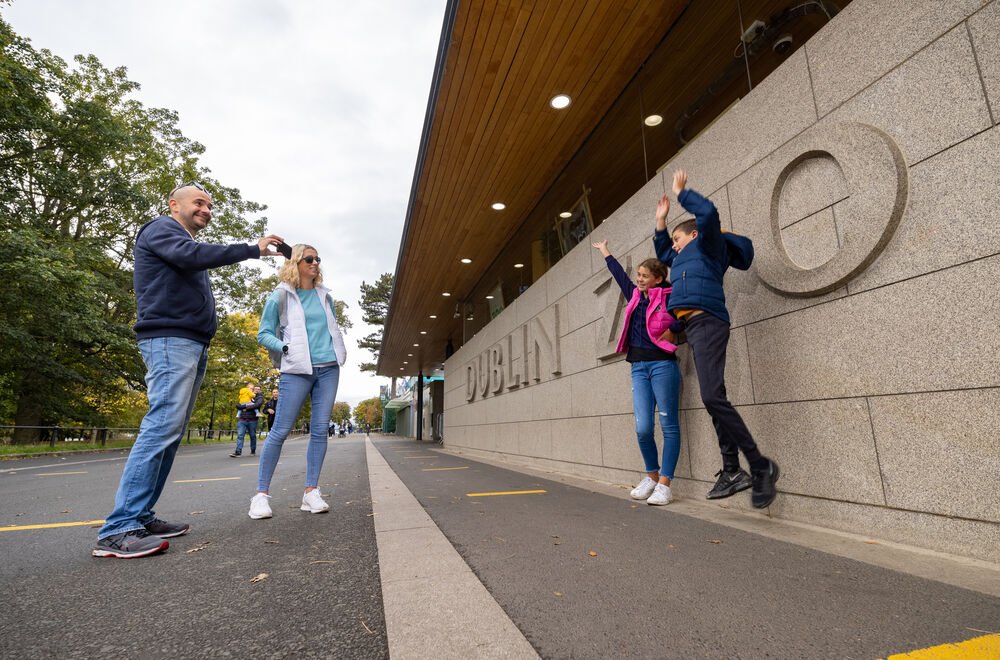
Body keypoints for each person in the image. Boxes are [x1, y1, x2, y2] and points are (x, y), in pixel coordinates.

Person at [93, 182, 284, 558]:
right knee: (162, 425)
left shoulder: (184, 243)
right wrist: (252, 249)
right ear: (173, 204)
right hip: (169, 339)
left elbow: (192, 260)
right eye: (199, 202)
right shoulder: (162, 229)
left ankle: (142, 516)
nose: (206, 210)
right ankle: (118, 529)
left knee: (171, 431)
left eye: (210, 206)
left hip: (190, 343)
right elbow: (191, 256)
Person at [653, 170, 779, 508]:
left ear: (693, 236)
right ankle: (730, 469)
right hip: (694, 327)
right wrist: (661, 225)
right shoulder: (682, 258)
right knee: (714, 397)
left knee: (712, 396)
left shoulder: (707, 245)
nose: (674, 249)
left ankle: (758, 465)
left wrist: (683, 193)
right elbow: (665, 254)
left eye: (679, 241)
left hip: (708, 323)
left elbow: (708, 214)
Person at [249, 244, 347, 519]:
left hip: (328, 368)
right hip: (296, 369)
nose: (315, 263)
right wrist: (287, 348)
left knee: (319, 430)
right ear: (296, 263)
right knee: (280, 430)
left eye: (318, 259)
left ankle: (311, 492)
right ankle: (260, 495)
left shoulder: (324, 296)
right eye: (309, 259)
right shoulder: (280, 296)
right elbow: (264, 334)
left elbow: (331, 328)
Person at [592, 239, 683, 505]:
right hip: (638, 367)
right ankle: (651, 477)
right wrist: (606, 252)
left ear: (658, 279)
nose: (639, 279)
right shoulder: (634, 295)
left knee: (669, 426)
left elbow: (686, 316)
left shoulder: (670, 295)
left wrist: (674, 330)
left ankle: (665, 484)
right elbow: (619, 275)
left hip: (663, 364)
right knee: (643, 428)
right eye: (639, 275)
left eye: (645, 276)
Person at [231, 384, 264, 456]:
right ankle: (238, 451)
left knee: (252, 435)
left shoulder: (259, 397)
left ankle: (253, 450)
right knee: (240, 435)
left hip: (253, 420)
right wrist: (245, 406)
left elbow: (257, 405)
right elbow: (238, 405)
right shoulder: (245, 395)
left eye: (256, 389)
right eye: (254, 388)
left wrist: (245, 407)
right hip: (242, 419)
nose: (254, 390)